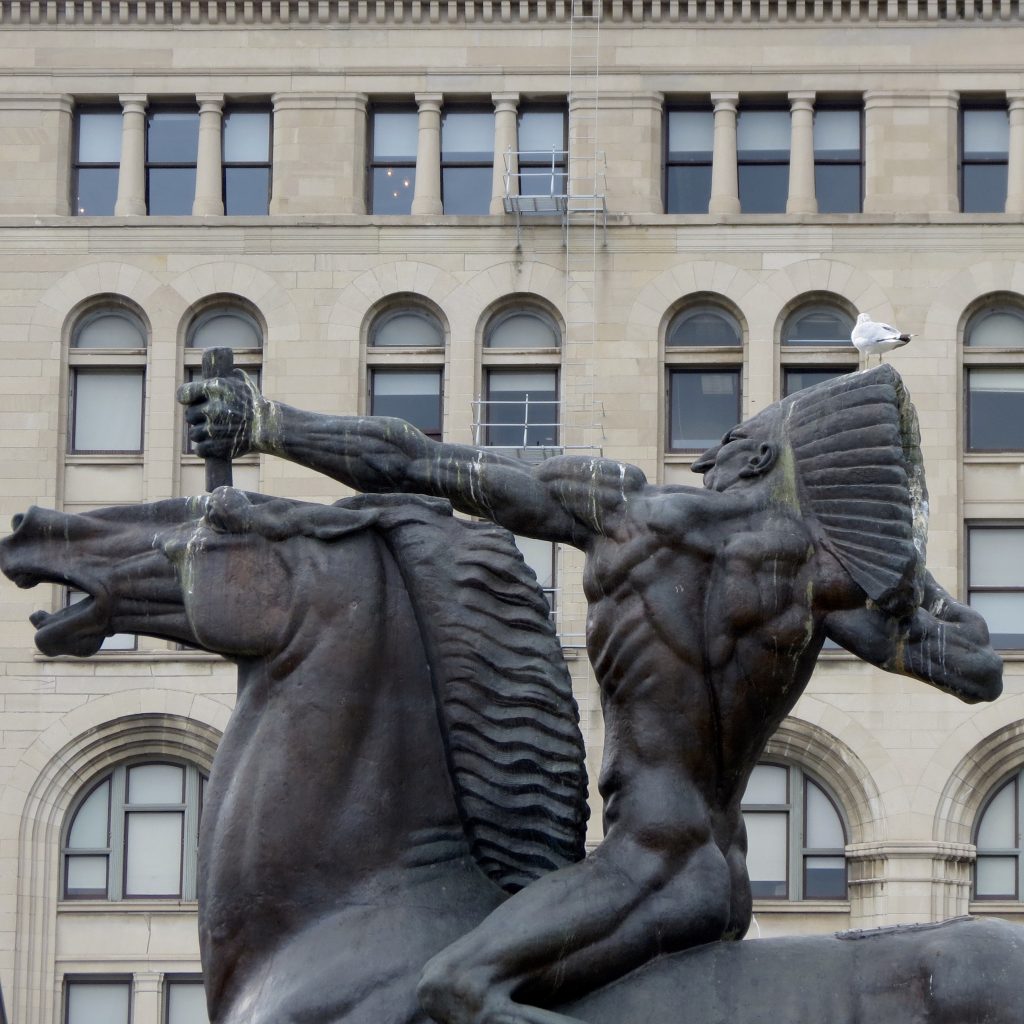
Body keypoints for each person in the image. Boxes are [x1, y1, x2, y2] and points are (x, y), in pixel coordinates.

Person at [179, 364, 1002, 1024]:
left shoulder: (625, 512)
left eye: (733, 436)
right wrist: (901, 573)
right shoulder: (813, 589)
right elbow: (975, 668)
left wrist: (267, 424)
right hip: (715, 877)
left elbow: (417, 462)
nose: (709, 451)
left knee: (453, 988)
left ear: (754, 458)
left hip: (644, 867)